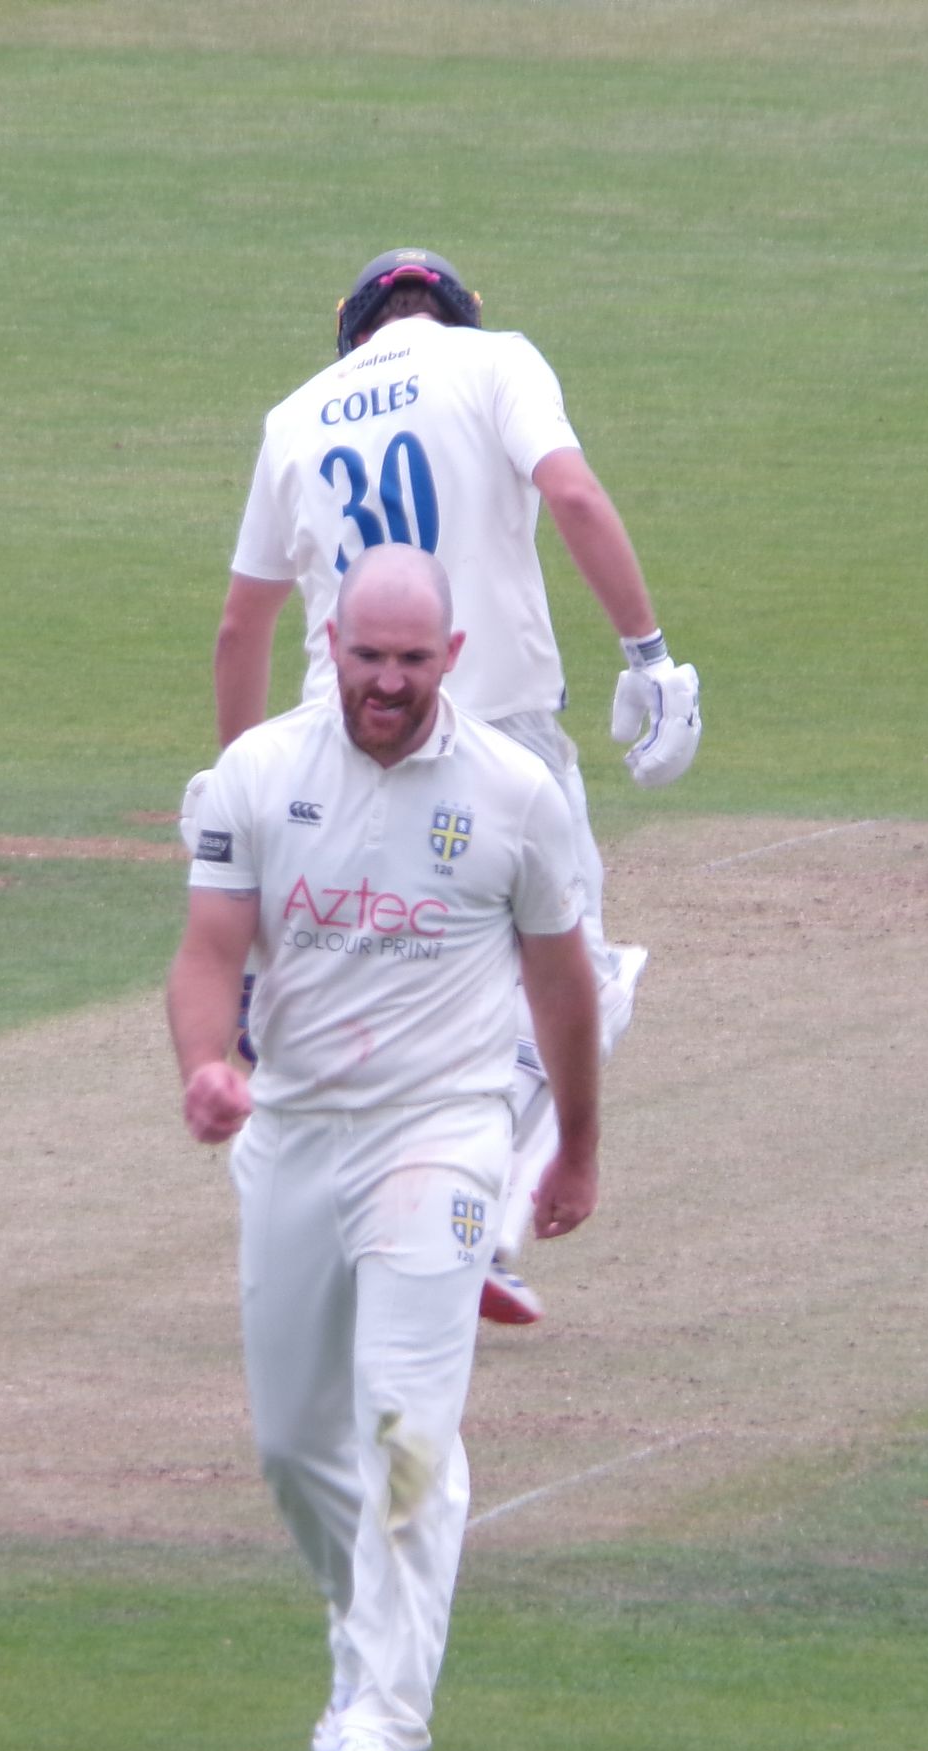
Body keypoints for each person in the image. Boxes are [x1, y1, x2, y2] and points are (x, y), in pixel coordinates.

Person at [187, 246, 698, 1327]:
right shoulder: (495, 361)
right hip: (492, 730)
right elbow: (570, 490)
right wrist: (650, 654)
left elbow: (243, 624)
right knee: (581, 977)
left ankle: (422, 1226)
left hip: (337, 734)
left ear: (355, 328)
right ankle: (440, 1215)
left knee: (374, 964)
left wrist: (242, 788)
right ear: (455, 315)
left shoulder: (297, 416)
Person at [167, 545, 601, 1751]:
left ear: (452, 658)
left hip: (444, 1134)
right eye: (369, 657)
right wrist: (208, 1065)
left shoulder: (513, 794)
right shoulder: (258, 774)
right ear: (333, 645)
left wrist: (573, 1142)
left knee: (408, 1425)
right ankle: (363, 1649)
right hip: (296, 1131)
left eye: (415, 661)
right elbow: (207, 953)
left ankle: (381, 1739)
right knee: (297, 1448)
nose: (390, 684)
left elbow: (563, 983)